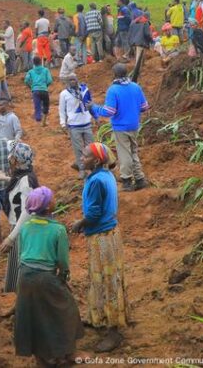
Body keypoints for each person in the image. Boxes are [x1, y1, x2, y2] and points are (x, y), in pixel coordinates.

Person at [12, 187, 83, 365]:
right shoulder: (58, 230)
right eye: (52, 199)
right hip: (45, 277)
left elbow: (22, 252)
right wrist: (64, 276)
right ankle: (66, 353)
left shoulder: (26, 227)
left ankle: (41, 358)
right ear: (49, 206)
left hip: (24, 277)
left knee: (32, 315)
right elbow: (62, 261)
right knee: (66, 310)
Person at [71, 143, 129, 352]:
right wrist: (81, 167)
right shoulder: (106, 175)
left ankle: (114, 332)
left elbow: (94, 213)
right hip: (111, 233)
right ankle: (101, 316)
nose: (81, 157)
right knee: (110, 278)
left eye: (85, 156)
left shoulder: (96, 181)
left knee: (106, 281)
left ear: (96, 161)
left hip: (101, 236)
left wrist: (80, 223)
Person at [92, 63, 150, 192]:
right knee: (133, 151)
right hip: (134, 125)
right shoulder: (136, 87)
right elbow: (145, 107)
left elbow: (109, 111)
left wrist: (94, 107)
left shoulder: (113, 90)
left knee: (124, 153)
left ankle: (127, 180)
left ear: (114, 75)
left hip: (121, 126)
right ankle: (140, 179)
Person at [0, 142, 40, 294]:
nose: (9, 159)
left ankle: (23, 305)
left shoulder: (26, 181)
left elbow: (27, 212)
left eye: (12, 157)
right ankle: (20, 304)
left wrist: (11, 238)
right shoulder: (24, 176)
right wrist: (5, 178)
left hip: (22, 230)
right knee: (18, 270)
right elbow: (18, 186)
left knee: (21, 271)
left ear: (16, 161)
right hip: (19, 228)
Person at [59, 75, 97, 178]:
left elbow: (90, 103)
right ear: (67, 82)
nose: (72, 82)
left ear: (77, 80)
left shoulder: (85, 90)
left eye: (74, 79)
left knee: (91, 147)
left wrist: (94, 116)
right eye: (70, 80)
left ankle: (93, 168)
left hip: (87, 123)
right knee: (78, 149)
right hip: (74, 125)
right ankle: (82, 170)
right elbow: (62, 110)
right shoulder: (64, 94)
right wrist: (63, 123)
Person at [24, 56, 54, 126]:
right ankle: (44, 121)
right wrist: (45, 86)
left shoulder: (31, 71)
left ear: (33, 63)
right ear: (41, 62)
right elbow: (50, 80)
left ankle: (38, 122)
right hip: (44, 90)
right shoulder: (46, 70)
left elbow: (26, 81)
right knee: (46, 105)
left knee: (37, 106)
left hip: (35, 91)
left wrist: (31, 87)